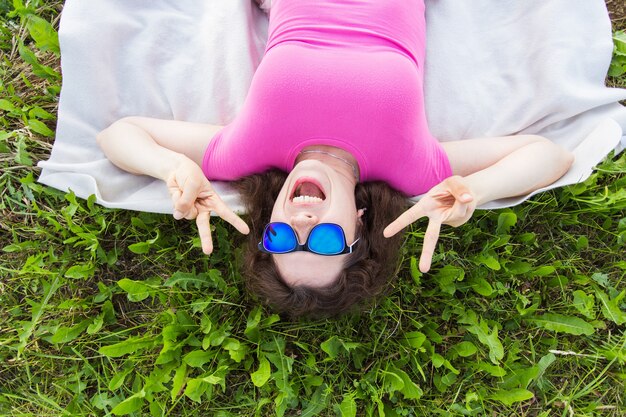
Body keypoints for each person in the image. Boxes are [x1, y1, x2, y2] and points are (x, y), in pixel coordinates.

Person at [97, 0, 574, 317]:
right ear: (361, 225)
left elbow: (119, 135)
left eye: (283, 238)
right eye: (324, 241)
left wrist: (171, 167)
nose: (302, 220)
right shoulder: (412, 168)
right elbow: (548, 155)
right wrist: (479, 189)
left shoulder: (243, 153)